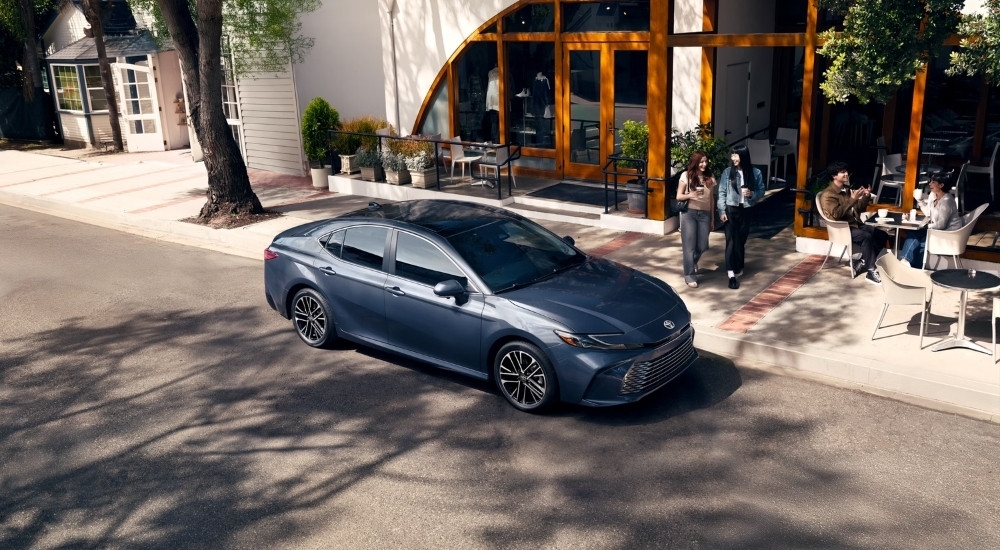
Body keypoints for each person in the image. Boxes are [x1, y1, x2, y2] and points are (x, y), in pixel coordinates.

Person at [818, 161, 888, 285]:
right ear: (834, 176)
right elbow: (836, 214)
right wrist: (852, 199)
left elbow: (857, 208)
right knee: (866, 236)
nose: (846, 174)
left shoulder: (846, 190)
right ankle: (871, 271)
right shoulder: (828, 195)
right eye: (842, 172)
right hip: (841, 228)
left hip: (853, 224)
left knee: (882, 235)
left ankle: (862, 261)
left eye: (846, 171)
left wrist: (865, 196)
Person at [717, 144, 765, 289]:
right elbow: (722, 193)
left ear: (743, 156)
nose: (733, 158)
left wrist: (752, 194)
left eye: (735, 155)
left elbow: (761, 190)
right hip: (731, 209)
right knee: (731, 241)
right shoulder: (727, 172)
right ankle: (731, 275)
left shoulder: (755, 172)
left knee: (741, 240)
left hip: (747, 209)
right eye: (732, 155)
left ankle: (738, 265)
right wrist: (722, 211)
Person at [898, 172, 962, 268]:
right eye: (930, 181)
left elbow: (941, 225)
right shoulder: (933, 195)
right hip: (938, 231)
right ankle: (914, 267)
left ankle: (905, 261)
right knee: (919, 238)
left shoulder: (947, 201)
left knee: (915, 235)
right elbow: (929, 213)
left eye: (933, 182)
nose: (930, 184)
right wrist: (919, 201)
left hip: (948, 234)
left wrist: (927, 226)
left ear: (941, 185)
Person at [676, 151, 716, 288]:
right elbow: (678, 196)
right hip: (689, 214)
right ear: (695, 163)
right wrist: (690, 195)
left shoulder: (709, 177)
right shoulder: (685, 176)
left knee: (702, 245)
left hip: (705, 214)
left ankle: (691, 262)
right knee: (689, 247)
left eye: (706, 161)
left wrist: (712, 219)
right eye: (701, 162)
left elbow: (711, 199)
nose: (704, 164)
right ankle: (689, 275)